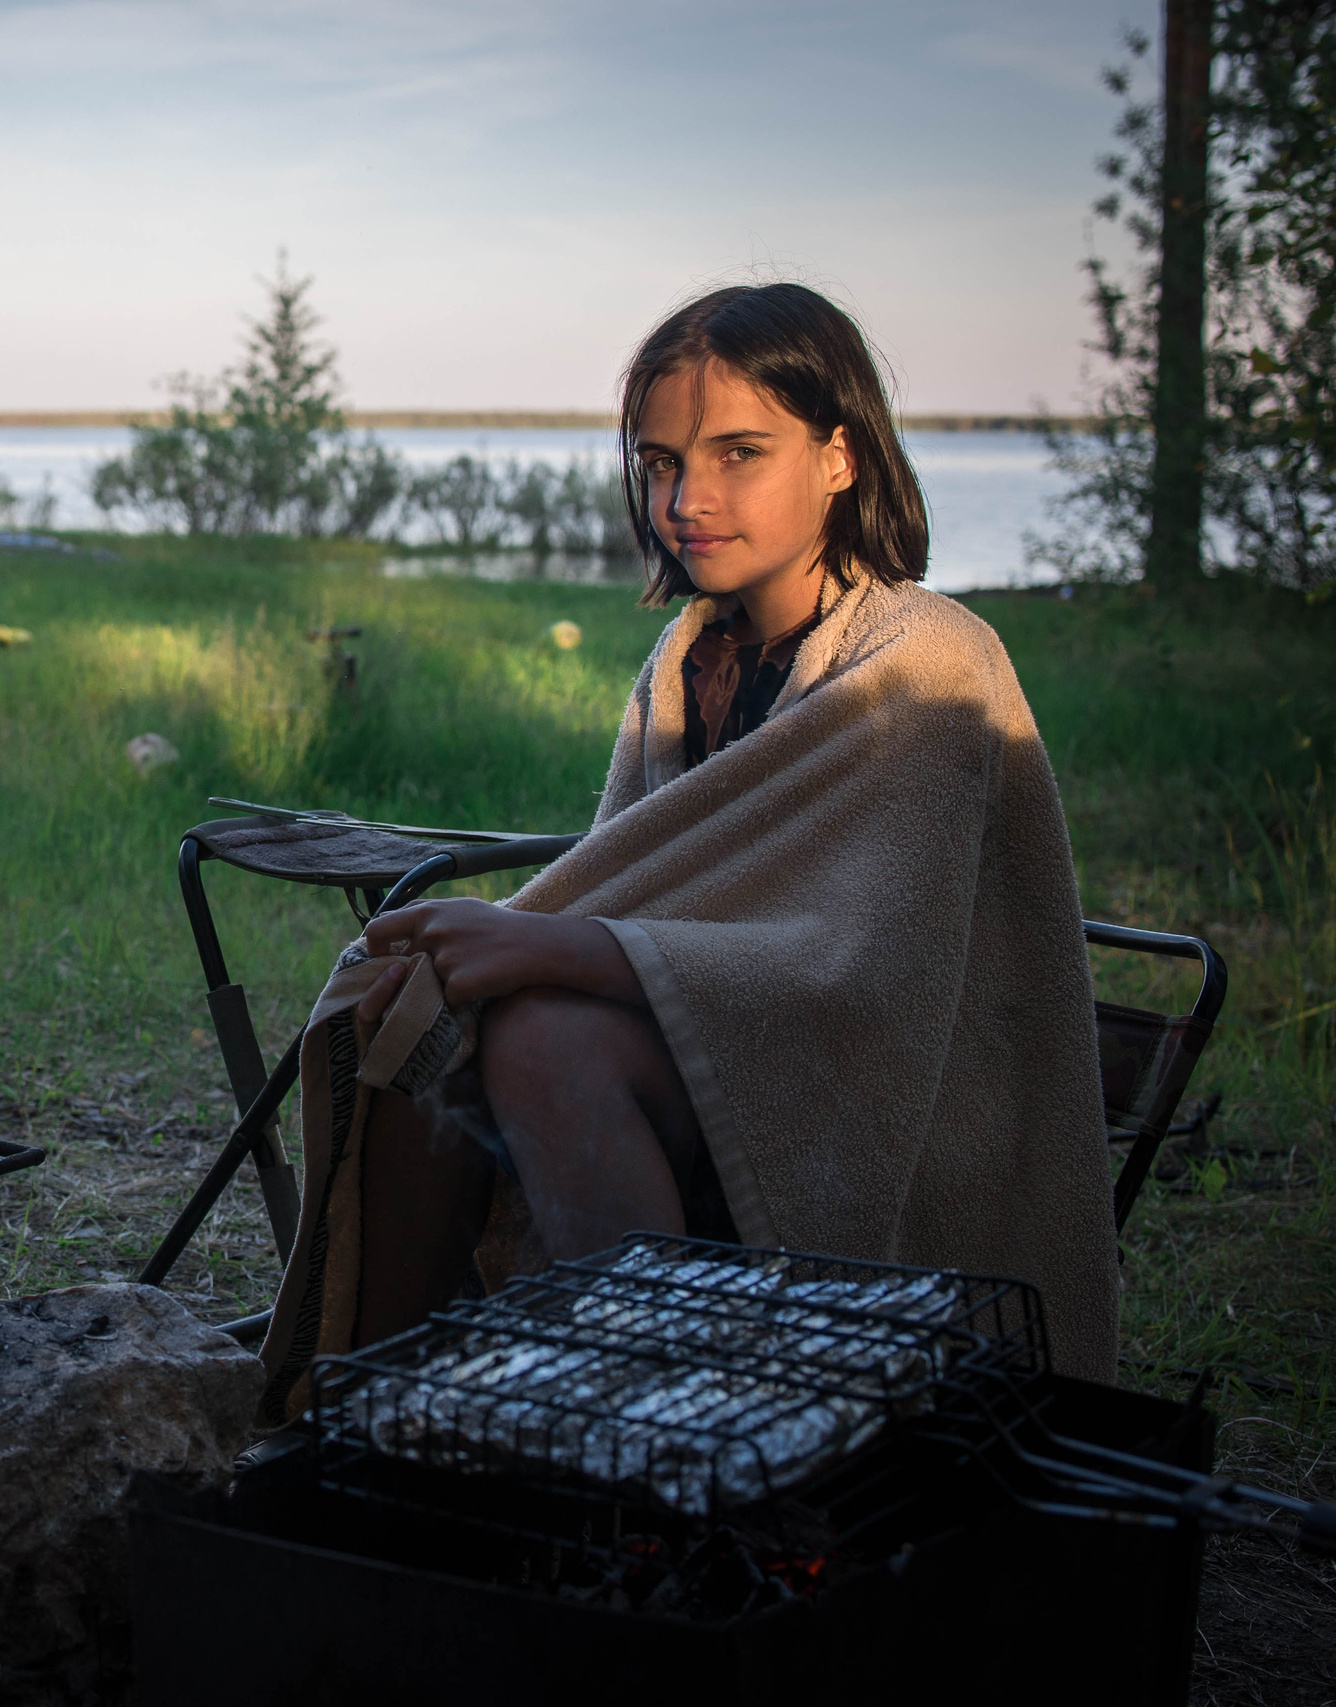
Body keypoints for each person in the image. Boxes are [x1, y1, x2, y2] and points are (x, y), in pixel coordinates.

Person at [253, 283, 1116, 1420]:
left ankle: (668, 1416)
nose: (687, 499)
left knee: (550, 1035)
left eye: (738, 453)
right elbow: (652, 876)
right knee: (420, 1017)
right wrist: (534, 947)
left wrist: (555, 948)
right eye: (660, 463)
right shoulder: (687, 655)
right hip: (709, 1041)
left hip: (887, 1093)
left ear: (840, 456)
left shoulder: (929, 664)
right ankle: (372, 1398)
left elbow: (870, 975)